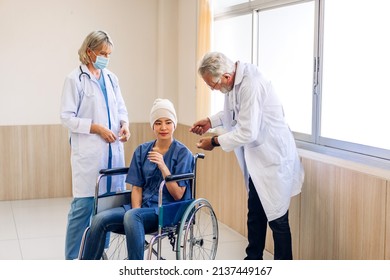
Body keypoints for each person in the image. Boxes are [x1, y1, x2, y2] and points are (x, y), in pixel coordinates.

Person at [190, 51, 304, 260]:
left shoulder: (252, 83)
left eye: (212, 86)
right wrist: (210, 121)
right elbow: (234, 113)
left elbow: (247, 131)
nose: (214, 90)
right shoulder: (233, 85)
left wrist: (213, 142)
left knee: (278, 221)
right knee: (255, 214)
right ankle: (253, 260)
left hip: (273, 160)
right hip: (257, 162)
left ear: (225, 76)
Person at [80, 98, 194, 260]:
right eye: (158, 122)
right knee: (99, 219)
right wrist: (136, 210)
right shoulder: (142, 151)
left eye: (168, 122)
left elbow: (178, 195)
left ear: (174, 124)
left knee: (132, 216)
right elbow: (137, 188)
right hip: (140, 209)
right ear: (152, 126)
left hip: (166, 211)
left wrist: (163, 166)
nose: (163, 127)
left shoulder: (183, 154)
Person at [60, 30, 130, 260]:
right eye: (102, 53)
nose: (106, 58)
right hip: (90, 154)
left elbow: (120, 108)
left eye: (109, 54)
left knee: (107, 208)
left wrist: (125, 125)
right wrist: (96, 128)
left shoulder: (111, 78)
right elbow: (67, 117)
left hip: (112, 152)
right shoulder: (75, 79)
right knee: (83, 208)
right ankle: (72, 258)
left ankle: (98, 252)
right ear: (89, 52)